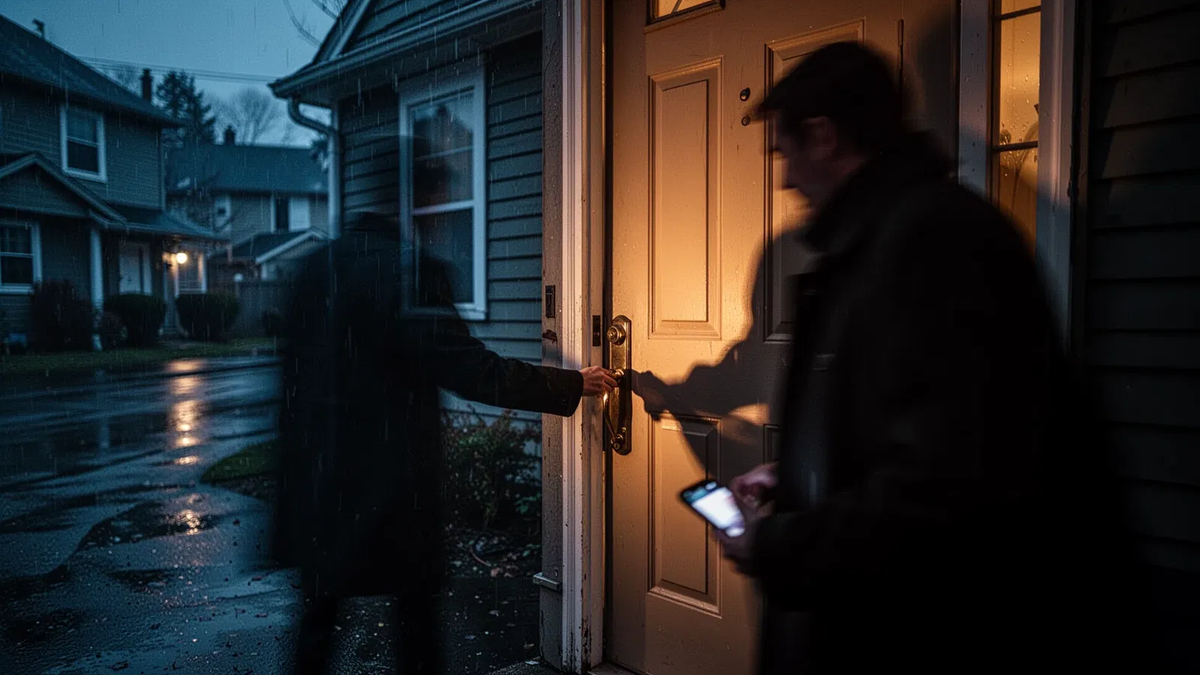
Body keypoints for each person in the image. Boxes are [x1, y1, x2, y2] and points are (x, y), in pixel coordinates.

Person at [637, 42, 1155, 674]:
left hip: (941, 632)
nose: (784, 179)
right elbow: (904, 418)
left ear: (824, 136)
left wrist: (778, 543)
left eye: (785, 151)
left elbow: (947, 486)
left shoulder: (936, 245)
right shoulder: (878, 241)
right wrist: (799, 471)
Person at [271, 210, 615, 675]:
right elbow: (472, 370)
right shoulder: (408, 272)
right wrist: (571, 383)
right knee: (414, 621)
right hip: (390, 485)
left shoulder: (316, 267)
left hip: (322, 482)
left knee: (319, 623)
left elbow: (291, 379)